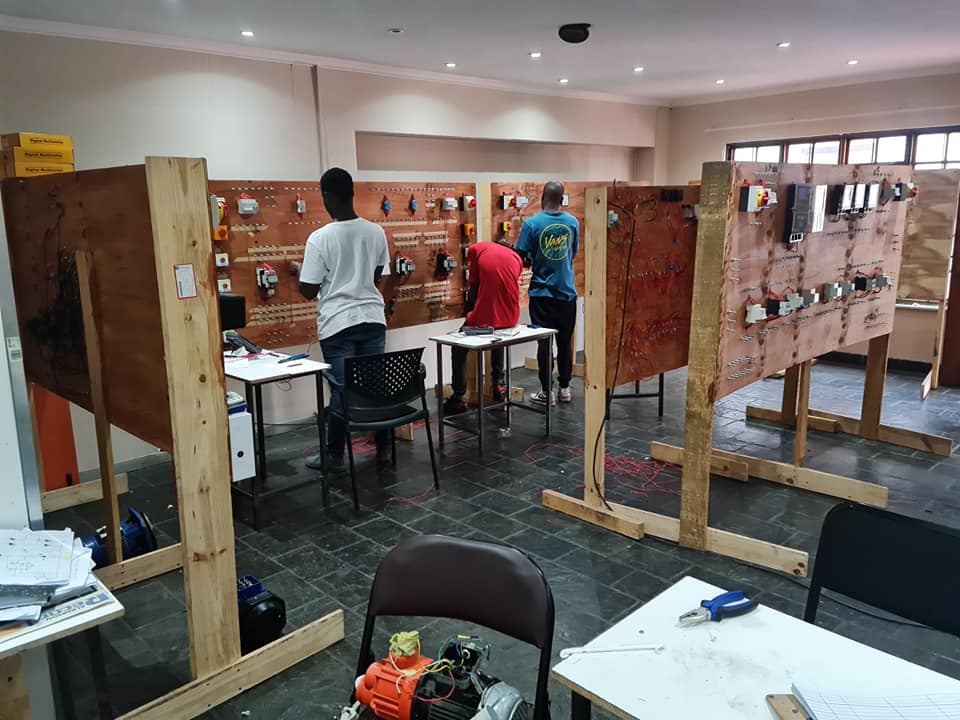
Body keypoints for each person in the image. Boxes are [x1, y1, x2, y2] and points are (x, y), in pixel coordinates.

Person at [289, 167, 391, 470]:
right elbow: (377, 276)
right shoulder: (375, 231)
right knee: (374, 386)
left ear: (327, 197)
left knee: (342, 389)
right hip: (373, 319)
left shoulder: (319, 239)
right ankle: (384, 449)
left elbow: (309, 290)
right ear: (352, 193)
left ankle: (334, 455)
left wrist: (298, 272)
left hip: (338, 324)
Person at [515, 181, 579, 405]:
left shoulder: (532, 224)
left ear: (542, 198)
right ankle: (565, 388)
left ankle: (546, 392)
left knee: (544, 344)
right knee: (565, 343)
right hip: (567, 293)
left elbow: (521, 256)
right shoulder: (572, 223)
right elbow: (572, 253)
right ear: (561, 200)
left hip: (542, 294)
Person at [445, 239, 523, 414]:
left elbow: (474, 287)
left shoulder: (476, 249)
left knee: (458, 346)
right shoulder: (516, 258)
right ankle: (499, 384)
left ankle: (458, 396)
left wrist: (468, 311)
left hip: (484, 324)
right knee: (498, 339)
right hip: (510, 320)